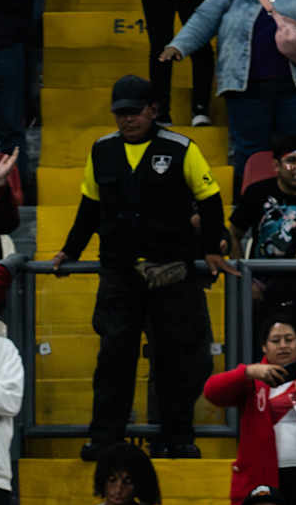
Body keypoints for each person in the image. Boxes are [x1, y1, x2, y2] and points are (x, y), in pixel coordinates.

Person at [50, 74, 223, 460]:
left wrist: (212, 248)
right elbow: (89, 208)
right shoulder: (101, 150)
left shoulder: (181, 148)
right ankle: (105, 439)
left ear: (153, 110)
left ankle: (178, 438)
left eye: (134, 112)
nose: (126, 120)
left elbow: (210, 200)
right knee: (114, 359)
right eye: (120, 113)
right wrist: (70, 250)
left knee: (174, 360)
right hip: (119, 274)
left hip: (171, 273)